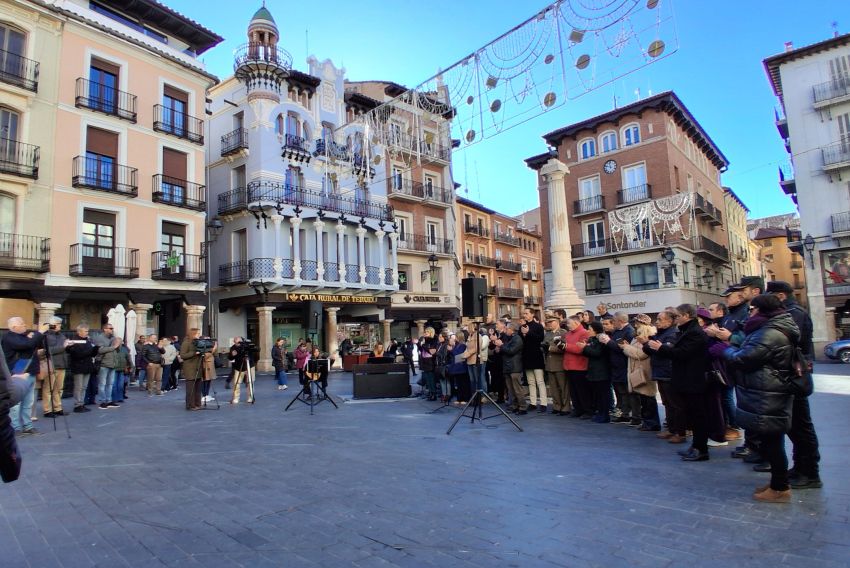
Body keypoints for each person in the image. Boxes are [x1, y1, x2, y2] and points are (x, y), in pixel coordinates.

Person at [723, 294, 799, 503]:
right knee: (771, 440)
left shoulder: (769, 333)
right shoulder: (771, 329)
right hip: (766, 390)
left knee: (773, 442)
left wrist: (727, 350)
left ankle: (780, 487)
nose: (750, 313)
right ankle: (778, 483)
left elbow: (744, 358)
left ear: (761, 310)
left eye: (752, 309)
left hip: (768, 391)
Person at [766, 280, 822, 489]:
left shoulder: (794, 313)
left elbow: (786, 343)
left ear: (779, 295)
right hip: (791, 376)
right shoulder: (789, 312)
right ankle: (801, 468)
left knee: (801, 426)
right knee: (796, 427)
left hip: (795, 376)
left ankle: (810, 473)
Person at [647, 304, 711, 462]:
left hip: (693, 380)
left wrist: (660, 348)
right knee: (693, 415)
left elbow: (682, 354)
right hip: (687, 379)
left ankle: (700, 449)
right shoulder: (687, 331)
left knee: (698, 416)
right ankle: (696, 446)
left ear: (687, 315)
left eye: (678, 316)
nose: (676, 319)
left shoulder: (694, 333)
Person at [644, 311, 684, 443]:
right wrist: (650, 345)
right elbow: (649, 348)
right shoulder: (660, 334)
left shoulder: (672, 334)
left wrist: (656, 347)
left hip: (668, 372)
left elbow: (665, 351)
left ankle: (679, 431)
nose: (657, 322)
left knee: (674, 403)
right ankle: (671, 429)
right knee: (667, 403)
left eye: (660, 320)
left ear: (669, 321)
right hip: (660, 372)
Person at [1, 317, 43, 435]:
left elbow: (35, 344)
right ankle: (15, 427)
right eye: (22, 324)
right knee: (16, 404)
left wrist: (35, 336)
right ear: (14, 327)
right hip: (18, 372)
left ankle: (27, 425)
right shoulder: (9, 337)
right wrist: (39, 333)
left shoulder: (23, 336)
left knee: (28, 402)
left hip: (29, 371)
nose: (25, 326)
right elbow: (27, 345)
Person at [621, 314, 660, 431]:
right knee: (643, 399)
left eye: (637, 322)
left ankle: (652, 423)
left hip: (645, 370)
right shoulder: (636, 335)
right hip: (638, 370)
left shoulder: (648, 335)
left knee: (648, 398)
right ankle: (647, 422)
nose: (635, 324)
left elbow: (642, 353)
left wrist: (626, 348)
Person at [600, 312, 637, 424]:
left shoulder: (628, 332)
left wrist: (608, 341)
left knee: (628, 392)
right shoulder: (617, 331)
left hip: (624, 365)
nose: (612, 323)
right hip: (616, 366)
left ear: (620, 321)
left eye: (614, 321)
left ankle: (631, 414)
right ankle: (624, 413)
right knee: (621, 392)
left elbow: (622, 348)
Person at [579, 321, 611, 423]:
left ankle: (604, 415)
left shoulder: (601, 339)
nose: (588, 331)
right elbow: (589, 353)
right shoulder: (592, 339)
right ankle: (600, 413)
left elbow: (597, 353)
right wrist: (585, 348)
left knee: (603, 395)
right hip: (593, 370)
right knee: (597, 395)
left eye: (590, 329)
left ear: (595, 330)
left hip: (601, 371)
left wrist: (585, 347)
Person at [562, 316, 591, 418]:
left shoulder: (584, 333)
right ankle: (577, 409)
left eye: (569, 323)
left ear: (576, 322)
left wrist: (566, 346)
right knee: (573, 391)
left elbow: (580, 349)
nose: (567, 325)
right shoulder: (568, 333)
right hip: (569, 366)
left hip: (580, 366)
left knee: (582, 391)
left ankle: (587, 410)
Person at [65, 325, 98, 413]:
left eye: (87, 331)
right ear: (79, 332)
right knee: (78, 387)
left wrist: (95, 350)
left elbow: (91, 354)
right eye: (85, 331)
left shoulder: (88, 340)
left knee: (84, 387)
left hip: (87, 366)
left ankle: (82, 403)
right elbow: (77, 354)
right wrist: (91, 351)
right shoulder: (74, 341)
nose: (87, 333)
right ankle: (77, 404)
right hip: (78, 366)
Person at [519, 308, 546, 411]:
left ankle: (543, 403)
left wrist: (528, 332)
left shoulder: (538, 326)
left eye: (526, 313)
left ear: (532, 314)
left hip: (536, 356)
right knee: (530, 381)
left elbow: (540, 339)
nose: (524, 315)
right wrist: (523, 334)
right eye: (523, 313)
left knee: (540, 381)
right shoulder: (522, 326)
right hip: (526, 356)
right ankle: (533, 403)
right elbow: (520, 339)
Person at [180, 329, 214, 410]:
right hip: (190, 368)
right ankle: (190, 405)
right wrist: (194, 353)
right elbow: (183, 355)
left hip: (198, 366)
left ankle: (197, 403)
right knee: (191, 388)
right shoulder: (186, 343)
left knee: (198, 387)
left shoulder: (197, 342)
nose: (199, 334)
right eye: (197, 333)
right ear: (193, 334)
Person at [42, 317, 69, 418]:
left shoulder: (61, 335)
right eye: (58, 324)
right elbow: (48, 351)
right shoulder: (46, 336)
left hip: (62, 364)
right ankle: (47, 410)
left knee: (59, 388)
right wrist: (63, 347)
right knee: (48, 389)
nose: (60, 326)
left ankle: (58, 408)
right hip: (51, 365)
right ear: (52, 325)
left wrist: (69, 345)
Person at [543, 315, 569, 416]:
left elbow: (563, 348)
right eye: (547, 322)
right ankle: (557, 406)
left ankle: (565, 407)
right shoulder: (548, 334)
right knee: (553, 388)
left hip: (559, 363)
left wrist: (549, 348)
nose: (549, 324)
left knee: (563, 387)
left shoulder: (563, 333)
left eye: (551, 322)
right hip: (549, 363)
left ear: (557, 322)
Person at [498, 322, 526, 414]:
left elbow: (511, 351)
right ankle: (515, 405)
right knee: (511, 389)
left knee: (517, 389)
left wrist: (501, 345)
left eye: (507, 329)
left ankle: (522, 407)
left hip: (515, 367)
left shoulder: (517, 339)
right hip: (508, 367)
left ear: (511, 329)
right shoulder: (510, 338)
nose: (505, 331)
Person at [229, 337, 257, 404]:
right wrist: (232, 355)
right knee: (236, 383)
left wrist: (253, 347)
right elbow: (230, 357)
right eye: (236, 343)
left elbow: (257, 350)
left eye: (239, 342)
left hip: (249, 366)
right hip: (239, 367)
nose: (238, 344)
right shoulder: (233, 348)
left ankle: (250, 397)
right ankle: (236, 398)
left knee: (250, 382)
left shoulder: (247, 346)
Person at [446, 333, 468, 404]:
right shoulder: (456, 345)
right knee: (458, 384)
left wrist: (451, 350)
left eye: (455, 337)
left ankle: (464, 398)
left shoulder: (463, 345)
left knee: (463, 383)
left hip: (461, 367)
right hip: (456, 367)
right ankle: (459, 398)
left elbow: (459, 355)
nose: (454, 339)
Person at [418, 328, 439, 400]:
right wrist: (419, 344)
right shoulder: (424, 339)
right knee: (427, 378)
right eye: (425, 331)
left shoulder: (434, 340)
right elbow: (421, 350)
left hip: (431, 361)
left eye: (427, 332)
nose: (425, 333)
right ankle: (430, 392)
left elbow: (431, 351)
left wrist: (423, 345)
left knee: (431, 378)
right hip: (424, 360)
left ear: (431, 332)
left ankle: (434, 394)